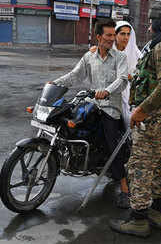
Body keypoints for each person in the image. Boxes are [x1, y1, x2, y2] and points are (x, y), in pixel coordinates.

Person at [109, 5, 161, 238]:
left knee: (140, 167)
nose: (149, 26)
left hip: (155, 118)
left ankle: (138, 221)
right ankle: (157, 214)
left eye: (152, 22)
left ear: (160, 25)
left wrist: (142, 110)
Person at [51, 19, 130, 208]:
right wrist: (54, 83)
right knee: (68, 123)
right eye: (108, 35)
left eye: (113, 35)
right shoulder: (89, 56)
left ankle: (125, 189)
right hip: (92, 103)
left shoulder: (120, 57)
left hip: (110, 107)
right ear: (98, 37)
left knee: (113, 144)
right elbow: (75, 75)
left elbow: (122, 80)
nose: (112, 39)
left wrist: (107, 91)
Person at [90, 20, 142, 127]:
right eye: (122, 34)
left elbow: (141, 75)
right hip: (107, 92)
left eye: (128, 34)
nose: (126, 37)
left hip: (128, 92)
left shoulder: (136, 54)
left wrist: (131, 77)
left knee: (129, 121)